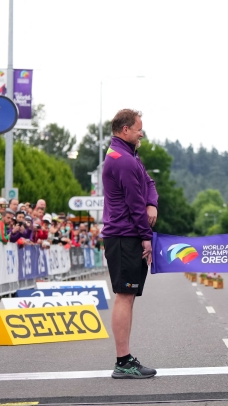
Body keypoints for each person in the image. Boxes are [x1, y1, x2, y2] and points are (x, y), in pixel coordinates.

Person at [102, 109, 159, 379]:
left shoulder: (129, 156)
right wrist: (146, 236)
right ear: (125, 130)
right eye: (138, 129)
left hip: (127, 234)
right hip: (124, 235)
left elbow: (149, 183)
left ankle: (125, 359)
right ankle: (123, 361)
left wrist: (152, 203)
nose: (141, 133)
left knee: (128, 296)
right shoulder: (122, 160)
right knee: (124, 296)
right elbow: (135, 203)